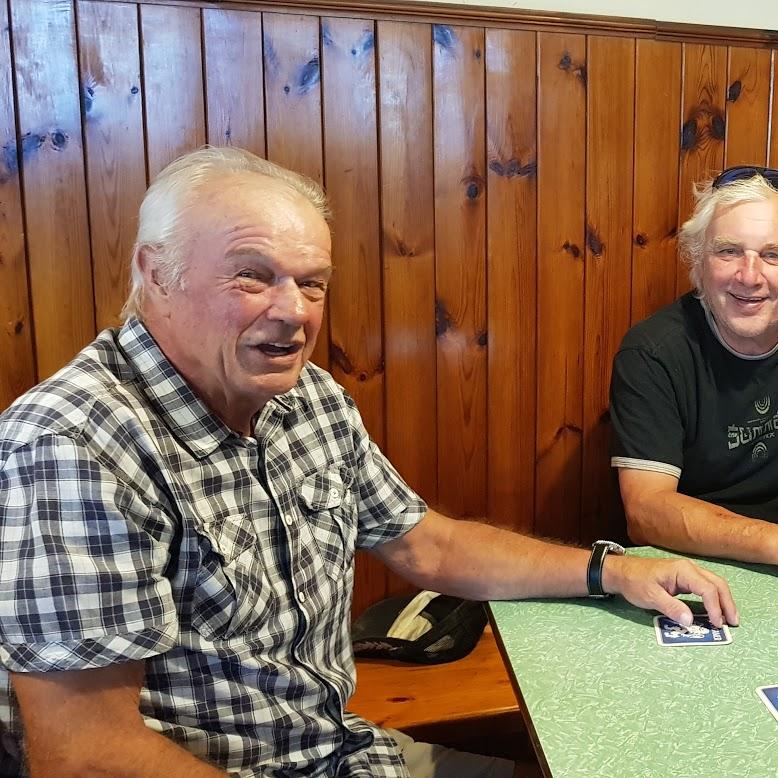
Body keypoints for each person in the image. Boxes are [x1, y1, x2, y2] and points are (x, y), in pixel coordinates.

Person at [0, 147, 737, 778]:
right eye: (251, 275)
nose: (294, 311)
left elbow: (427, 543)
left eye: (312, 281)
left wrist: (612, 570)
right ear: (154, 273)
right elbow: (83, 754)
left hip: (339, 751)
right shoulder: (75, 440)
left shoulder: (305, 396)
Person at [611, 165, 778, 566]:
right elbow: (646, 512)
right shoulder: (653, 353)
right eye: (729, 251)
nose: (750, 275)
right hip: (694, 566)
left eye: (773, 255)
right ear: (698, 263)